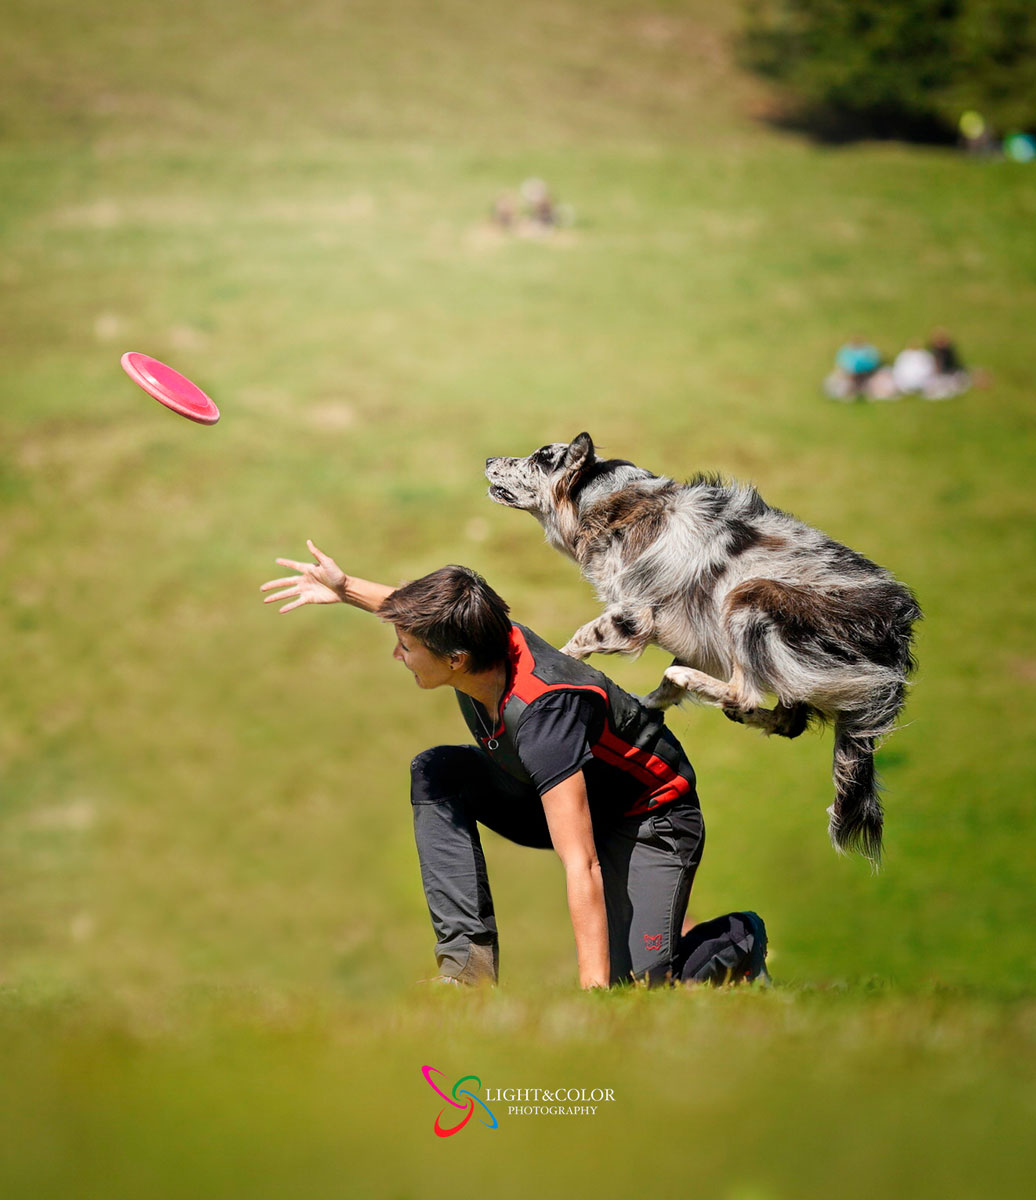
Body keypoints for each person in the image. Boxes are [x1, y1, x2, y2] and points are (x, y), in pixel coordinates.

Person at [261, 542, 770, 990]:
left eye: (407, 647)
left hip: (649, 819)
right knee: (438, 771)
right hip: (552, 792)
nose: (398, 654)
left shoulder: (545, 715)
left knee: (639, 988)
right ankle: (466, 973)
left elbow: (581, 862)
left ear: (455, 659)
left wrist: (596, 997)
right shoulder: (476, 634)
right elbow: (424, 616)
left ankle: (737, 938)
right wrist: (345, 588)